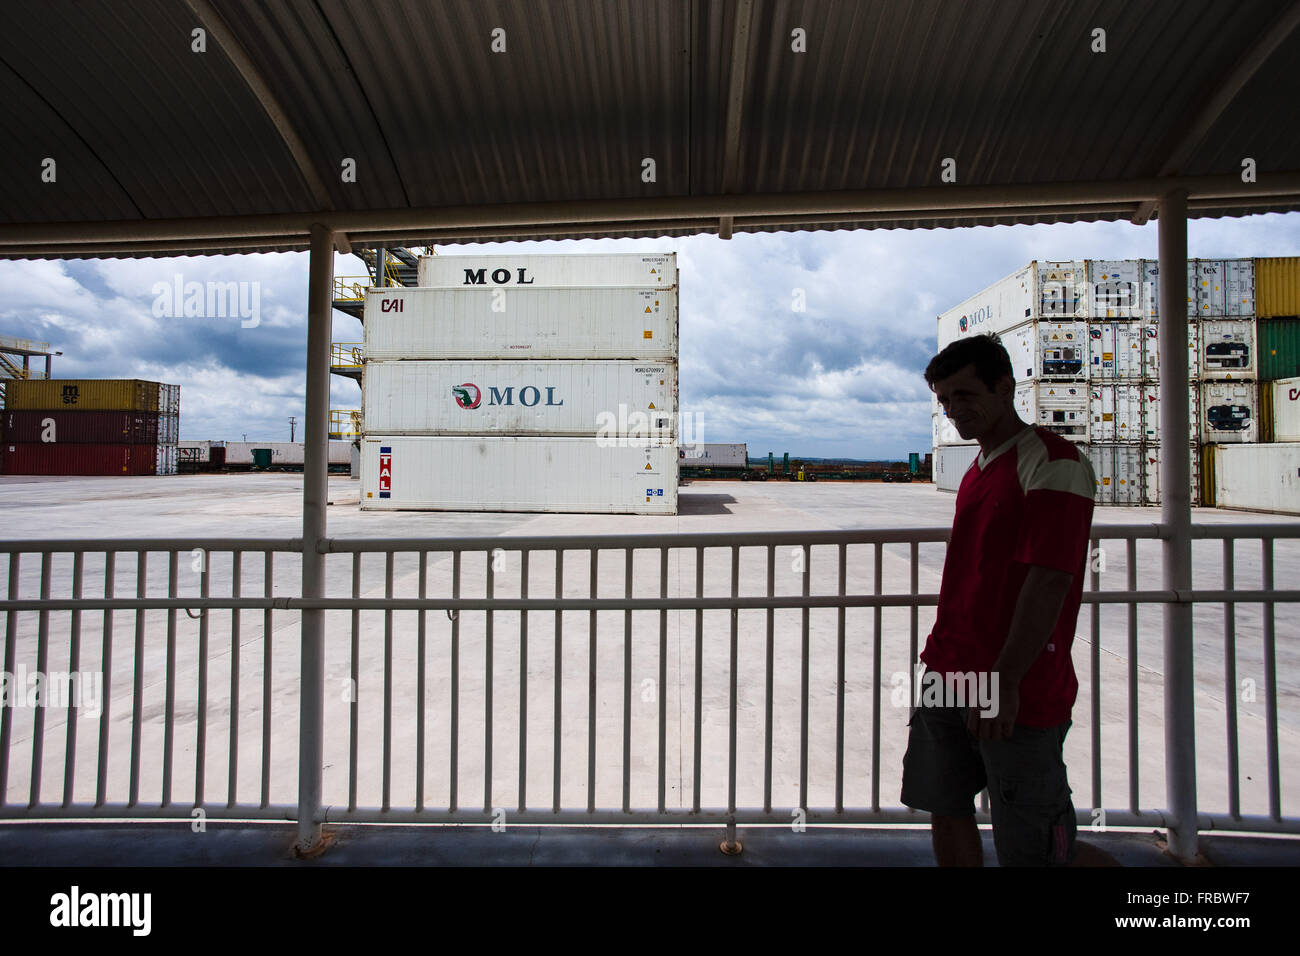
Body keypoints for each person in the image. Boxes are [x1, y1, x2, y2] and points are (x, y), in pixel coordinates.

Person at [901, 332, 1106, 867]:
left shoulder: (1052, 461)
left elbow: (1049, 580)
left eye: (964, 395)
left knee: (1034, 840)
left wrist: (1007, 680)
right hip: (948, 671)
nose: (952, 411)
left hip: (1016, 684)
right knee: (946, 807)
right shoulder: (978, 467)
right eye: (944, 401)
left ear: (1005, 386)